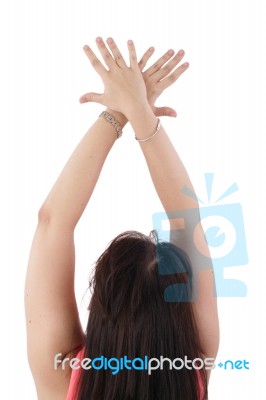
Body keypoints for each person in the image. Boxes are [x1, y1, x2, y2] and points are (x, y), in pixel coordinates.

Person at [25, 37, 219, 400]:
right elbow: (186, 221)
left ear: (97, 305)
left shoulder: (61, 377)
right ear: (180, 314)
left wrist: (121, 112)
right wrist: (139, 113)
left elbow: (52, 222)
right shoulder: (194, 370)